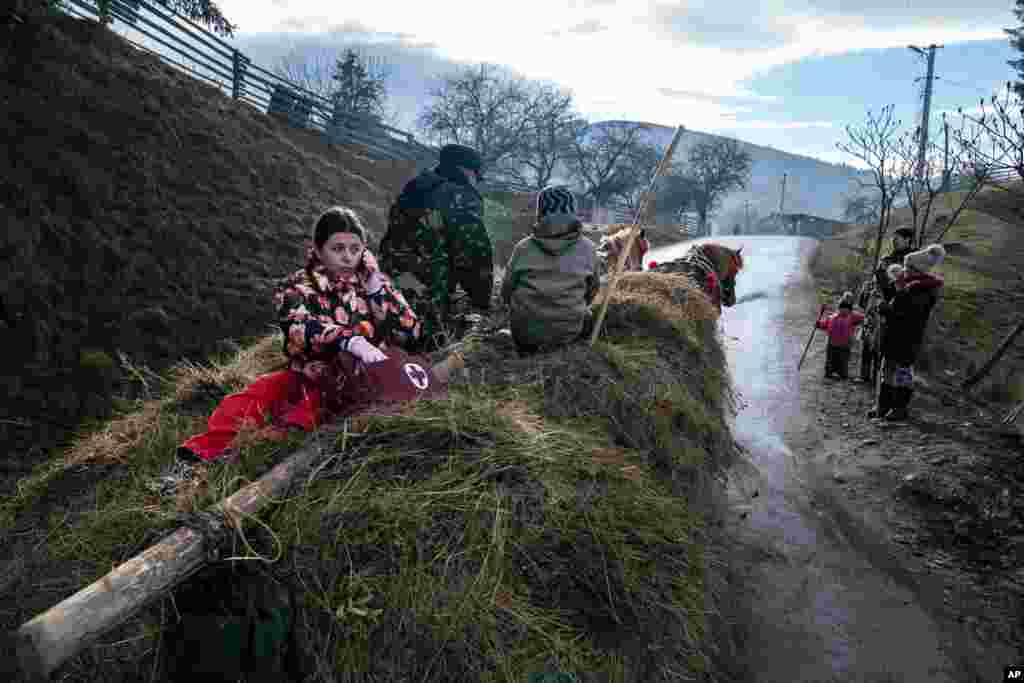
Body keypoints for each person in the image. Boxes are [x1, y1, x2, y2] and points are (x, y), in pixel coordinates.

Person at [378, 143, 493, 347]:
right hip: (424, 296)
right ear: (466, 170)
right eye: (477, 176)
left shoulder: (415, 185)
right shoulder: (461, 195)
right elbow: (474, 255)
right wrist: (481, 302)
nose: (477, 182)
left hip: (387, 284)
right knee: (428, 346)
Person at [500, 185, 600, 355]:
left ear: (540, 213)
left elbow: (506, 291)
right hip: (568, 333)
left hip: (525, 335)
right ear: (573, 213)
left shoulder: (523, 247)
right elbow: (591, 291)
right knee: (589, 316)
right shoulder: (589, 249)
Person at [868, 244, 946, 421]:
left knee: (902, 372)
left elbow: (906, 314)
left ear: (917, 270)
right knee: (887, 369)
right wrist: (881, 276)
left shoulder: (922, 291)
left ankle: (899, 408)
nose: (904, 270)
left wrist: (885, 309)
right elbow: (893, 297)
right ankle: (883, 406)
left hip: (908, 338)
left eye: (908, 267)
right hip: (894, 335)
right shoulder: (908, 285)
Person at [859, 227, 916, 384]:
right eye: (893, 238)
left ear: (908, 239)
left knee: (882, 345)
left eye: (897, 238)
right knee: (867, 340)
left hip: (892, 309)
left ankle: (879, 380)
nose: (894, 240)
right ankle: (864, 376)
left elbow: (899, 288)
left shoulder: (911, 262)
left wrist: (884, 279)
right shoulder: (886, 258)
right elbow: (877, 279)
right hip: (875, 305)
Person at [816, 292, 865, 380]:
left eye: (845, 309)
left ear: (849, 309)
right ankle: (829, 373)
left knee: (843, 363)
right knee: (830, 363)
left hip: (845, 345)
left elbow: (863, 318)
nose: (843, 310)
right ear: (839, 308)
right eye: (841, 308)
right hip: (831, 344)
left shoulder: (852, 316)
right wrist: (818, 324)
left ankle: (842, 373)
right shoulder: (832, 317)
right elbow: (825, 325)